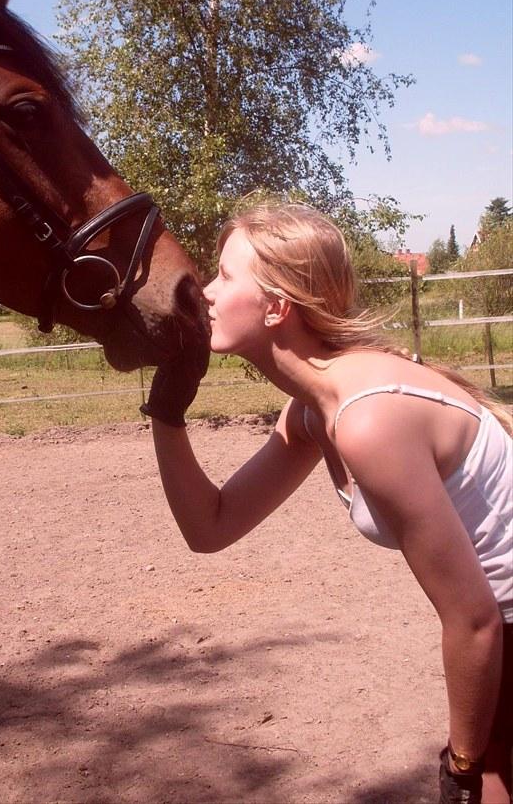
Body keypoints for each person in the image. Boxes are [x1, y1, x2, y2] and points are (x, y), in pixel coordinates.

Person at [140, 201, 512, 804]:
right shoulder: (315, 410)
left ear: (277, 307)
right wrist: (166, 411)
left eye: (225, 277)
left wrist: (460, 770)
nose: (205, 292)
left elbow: (473, 621)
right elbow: (210, 527)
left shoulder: (368, 418)